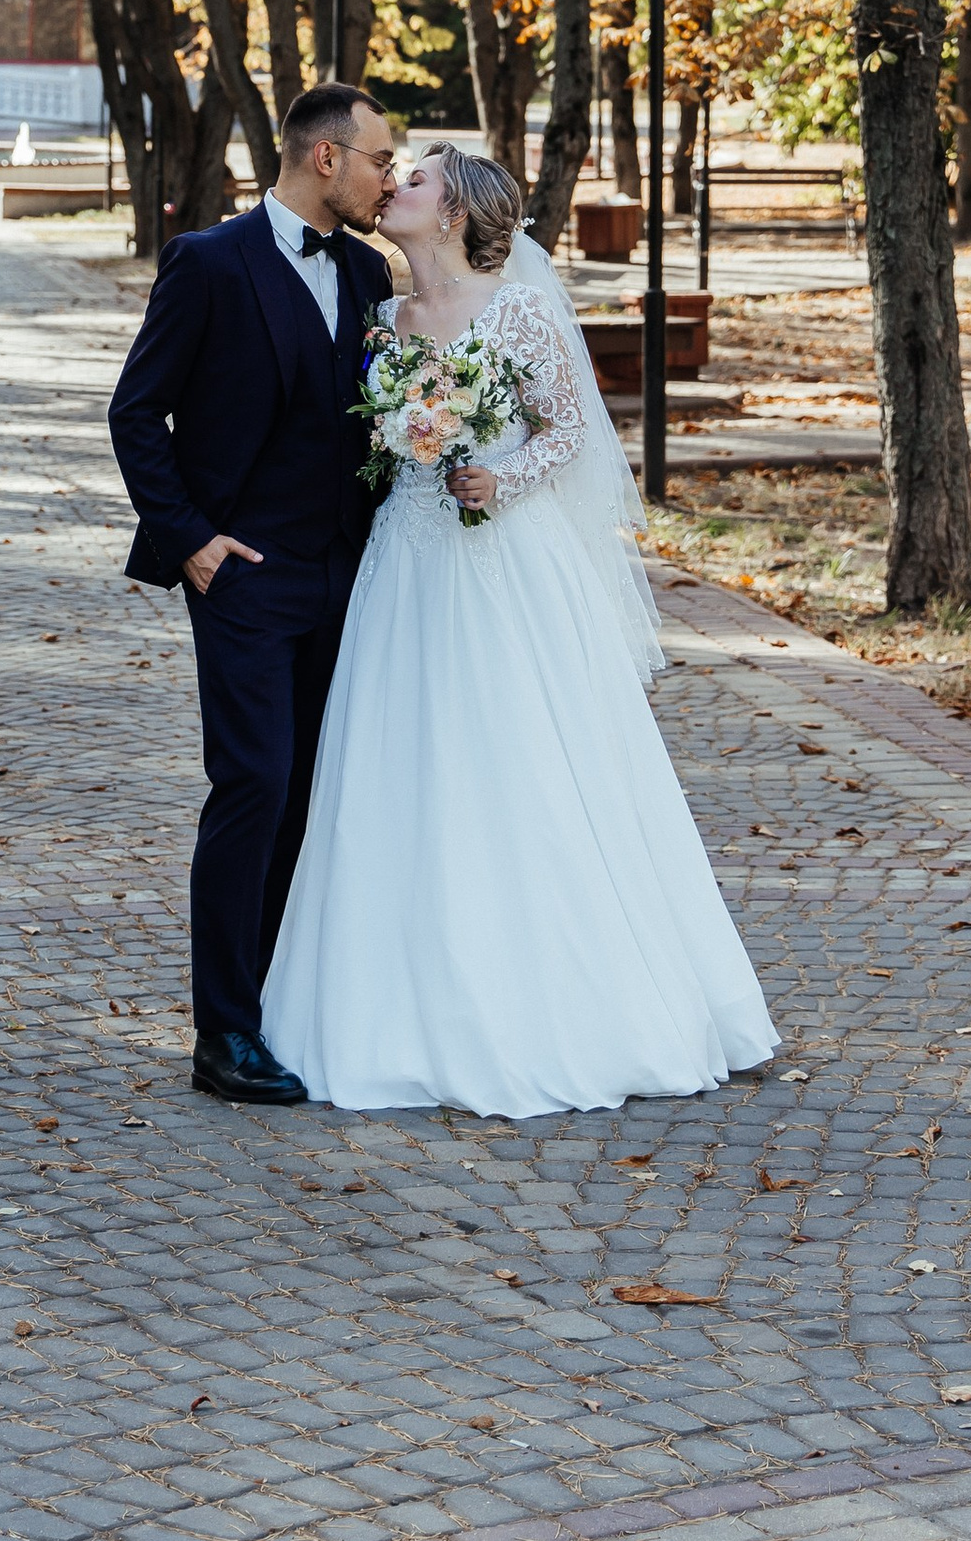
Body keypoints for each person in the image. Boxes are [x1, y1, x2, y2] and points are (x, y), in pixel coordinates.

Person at [262, 142, 778, 1118]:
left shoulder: (518, 308)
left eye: (411, 178)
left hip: (503, 564)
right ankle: (390, 1003)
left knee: (519, 763)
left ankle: (561, 999)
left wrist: (501, 477)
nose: (390, 185)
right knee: (400, 766)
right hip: (405, 566)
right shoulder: (383, 319)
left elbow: (569, 431)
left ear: (452, 212)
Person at [108, 81, 397, 1107]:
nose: (385, 177)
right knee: (254, 787)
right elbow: (136, 412)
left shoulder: (370, 272)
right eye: (375, 158)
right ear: (324, 158)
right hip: (241, 577)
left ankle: (280, 1004)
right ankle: (221, 1031)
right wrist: (189, 543)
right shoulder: (206, 264)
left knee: (312, 798)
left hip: (344, 577)